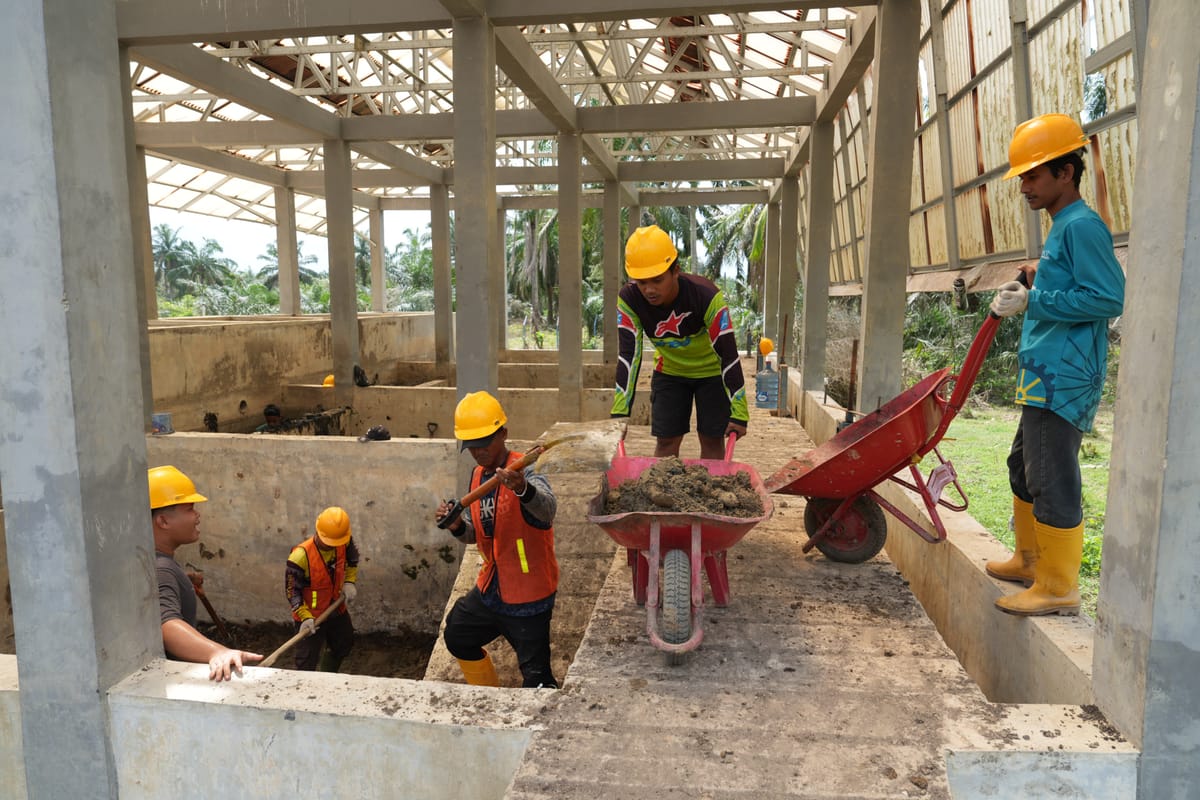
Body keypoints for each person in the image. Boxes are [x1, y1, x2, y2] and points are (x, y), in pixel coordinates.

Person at [985, 113, 1125, 616]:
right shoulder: (1064, 225)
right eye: (1022, 176)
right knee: (1022, 467)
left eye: (1033, 174)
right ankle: (1029, 560)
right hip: (1044, 372)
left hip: (1063, 379)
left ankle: (1058, 583)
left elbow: (1108, 296)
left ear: (1066, 173)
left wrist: (1034, 302)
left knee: (1051, 476)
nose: (1024, 185)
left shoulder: (1082, 225)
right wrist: (1035, 274)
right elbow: (1069, 277)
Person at [435, 391, 559, 688]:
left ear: (503, 433)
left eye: (485, 442)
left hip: (529, 595)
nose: (479, 451)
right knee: (457, 634)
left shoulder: (526, 468)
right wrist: (456, 526)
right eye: (472, 446)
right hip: (491, 590)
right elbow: (478, 535)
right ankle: (488, 693)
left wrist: (523, 489)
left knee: (537, 678)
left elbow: (548, 511)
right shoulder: (478, 476)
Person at [611, 224, 748, 459]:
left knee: (712, 440)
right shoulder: (629, 299)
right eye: (641, 282)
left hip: (712, 374)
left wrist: (739, 412)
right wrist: (619, 412)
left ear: (675, 271)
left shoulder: (706, 296)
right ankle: (661, 493)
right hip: (670, 373)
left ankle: (710, 493)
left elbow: (728, 354)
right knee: (666, 442)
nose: (649, 290)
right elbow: (629, 355)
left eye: (657, 280)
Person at [149, 465, 263, 680]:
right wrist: (217, 651)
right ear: (163, 521)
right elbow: (166, 625)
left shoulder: (152, 562)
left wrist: (183, 578)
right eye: (190, 508)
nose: (197, 515)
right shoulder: (162, 569)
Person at [284, 506, 359, 671]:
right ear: (319, 532)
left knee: (343, 643)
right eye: (329, 543)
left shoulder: (343, 540)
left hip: (335, 607)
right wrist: (305, 617)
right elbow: (292, 592)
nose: (334, 546)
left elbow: (353, 560)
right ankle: (304, 691)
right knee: (306, 661)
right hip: (311, 617)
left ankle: (328, 676)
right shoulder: (300, 557)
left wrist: (349, 582)